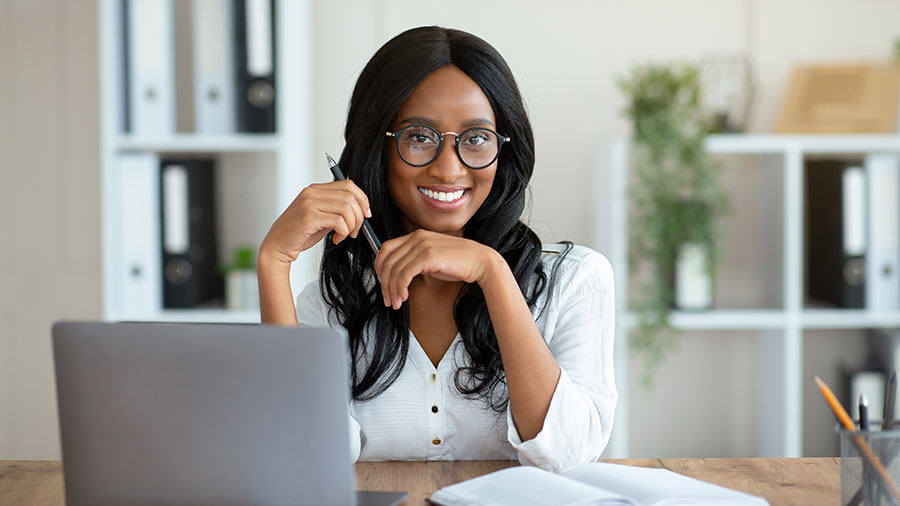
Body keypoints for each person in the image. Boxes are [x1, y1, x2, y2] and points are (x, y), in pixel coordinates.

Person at [257, 26, 616, 472]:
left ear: (505, 149)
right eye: (419, 137)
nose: (449, 170)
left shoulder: (576, 278)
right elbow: (303, 458)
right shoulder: (334, 305)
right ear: (377, 147)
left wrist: (493, 272)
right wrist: (273, 263)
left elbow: (569, 455)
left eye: (477, 138)